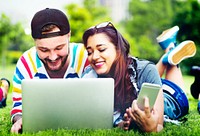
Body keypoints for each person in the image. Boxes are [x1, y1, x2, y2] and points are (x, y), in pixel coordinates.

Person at [82, 22, 196, 132]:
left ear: (118, 49)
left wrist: (151, 128)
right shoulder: (89, 75)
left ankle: (169, 51)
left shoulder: (145, 70)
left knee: (178, 91)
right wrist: (122, 124)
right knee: (148, 76)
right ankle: (168, 53)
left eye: (101, 49)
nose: (94, 57)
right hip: (148, 82)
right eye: (89, 52)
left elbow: (159, 125)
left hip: (171, 100)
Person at [10, 8, 89, 133]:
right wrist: (20, 119)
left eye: (59, 47)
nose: (53, 57)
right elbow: (18, 107)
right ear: (34, 42)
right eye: (44, 50)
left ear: (69, 36)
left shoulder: (86, 57)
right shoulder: (26, 62)